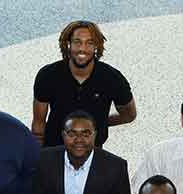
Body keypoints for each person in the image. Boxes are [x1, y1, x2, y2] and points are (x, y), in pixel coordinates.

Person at [31, 20, 136, 148]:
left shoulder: (112, 78)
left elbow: (129, 115)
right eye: (77, 42)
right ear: (68, 44)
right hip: (54, 150)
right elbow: (38, 126)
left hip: (92, 152)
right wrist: (38, 159)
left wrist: (101, 122)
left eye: (89, 43)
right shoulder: (48, 75)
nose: (82, 49)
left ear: (96, 46)